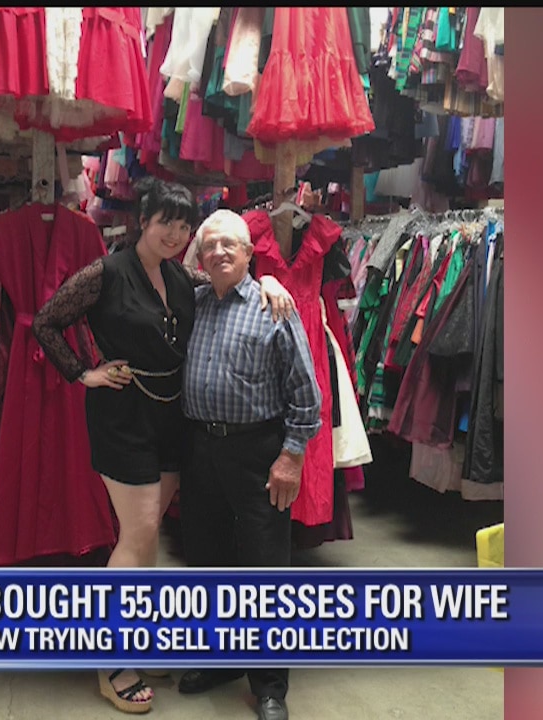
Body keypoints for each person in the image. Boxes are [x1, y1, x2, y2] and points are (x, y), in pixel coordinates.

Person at [32, 180, 296, 714]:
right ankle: (109, 659)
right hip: (123, 416)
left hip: (174, 418)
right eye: (164, 223)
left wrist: (269, 279)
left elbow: (231, 277)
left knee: (148, 539)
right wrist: (83, 373)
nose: (174, 235)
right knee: (137, 535)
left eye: (183, 226)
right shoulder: (106, 272)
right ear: (142, 220)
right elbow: (46, 322)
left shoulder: (183, 276)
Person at [176, 210, 322, 720]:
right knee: (206, 560)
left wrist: (291, 456)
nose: (218, 252)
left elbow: (305, 391)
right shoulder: (193, 303)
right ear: (199, 256)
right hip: (200, 448)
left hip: (259, 452)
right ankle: (220, 661)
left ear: (247, 253)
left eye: (228, 245)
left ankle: (270, 685)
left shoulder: (272, 305)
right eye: (209, 245)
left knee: (264, 567)